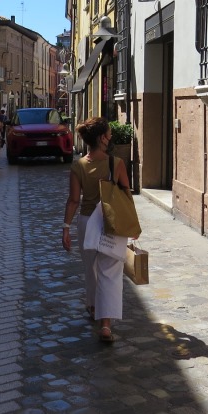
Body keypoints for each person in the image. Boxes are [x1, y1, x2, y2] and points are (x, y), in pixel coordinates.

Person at [61, 116, 130, 342]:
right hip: (111, 223)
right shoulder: (116, 163)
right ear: (102, 138)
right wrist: (131, 225)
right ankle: (106, 325)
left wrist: (65, 228)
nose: (111, 137)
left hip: (87, 222)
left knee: (91, 269)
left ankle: (93, 307)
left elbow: (74, 200)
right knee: (110, 272)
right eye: (109, 134)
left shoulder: (78, 166)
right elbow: (126, 195)